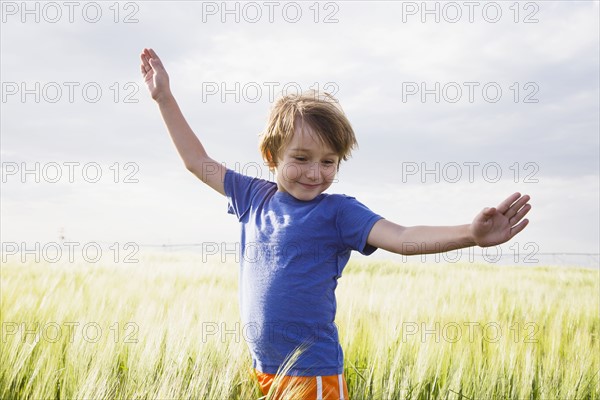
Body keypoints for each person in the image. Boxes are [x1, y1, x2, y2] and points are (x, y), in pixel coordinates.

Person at [140, 47, 531, 400]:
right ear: (271, 155)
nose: (314, 173)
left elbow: (403, 237)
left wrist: (470, 234)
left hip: (314, 375)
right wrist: (164, 98)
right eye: (302, 158)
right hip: (263, 369)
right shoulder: (252, 197)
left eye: (328, 162)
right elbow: (196, 160)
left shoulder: (338, 212)